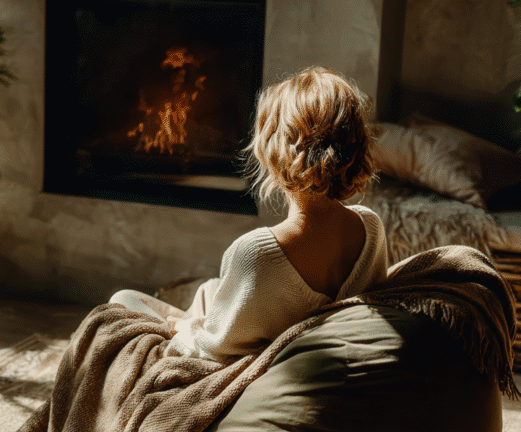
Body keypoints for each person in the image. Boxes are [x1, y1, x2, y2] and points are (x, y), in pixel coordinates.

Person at [110, 66, 389, 364]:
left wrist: (182, 327)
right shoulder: (370, 227)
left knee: (122, 300)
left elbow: (208, 353)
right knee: (211, 289)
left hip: (237, 367)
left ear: (274, 150)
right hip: (274, 334)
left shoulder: (257, 254)